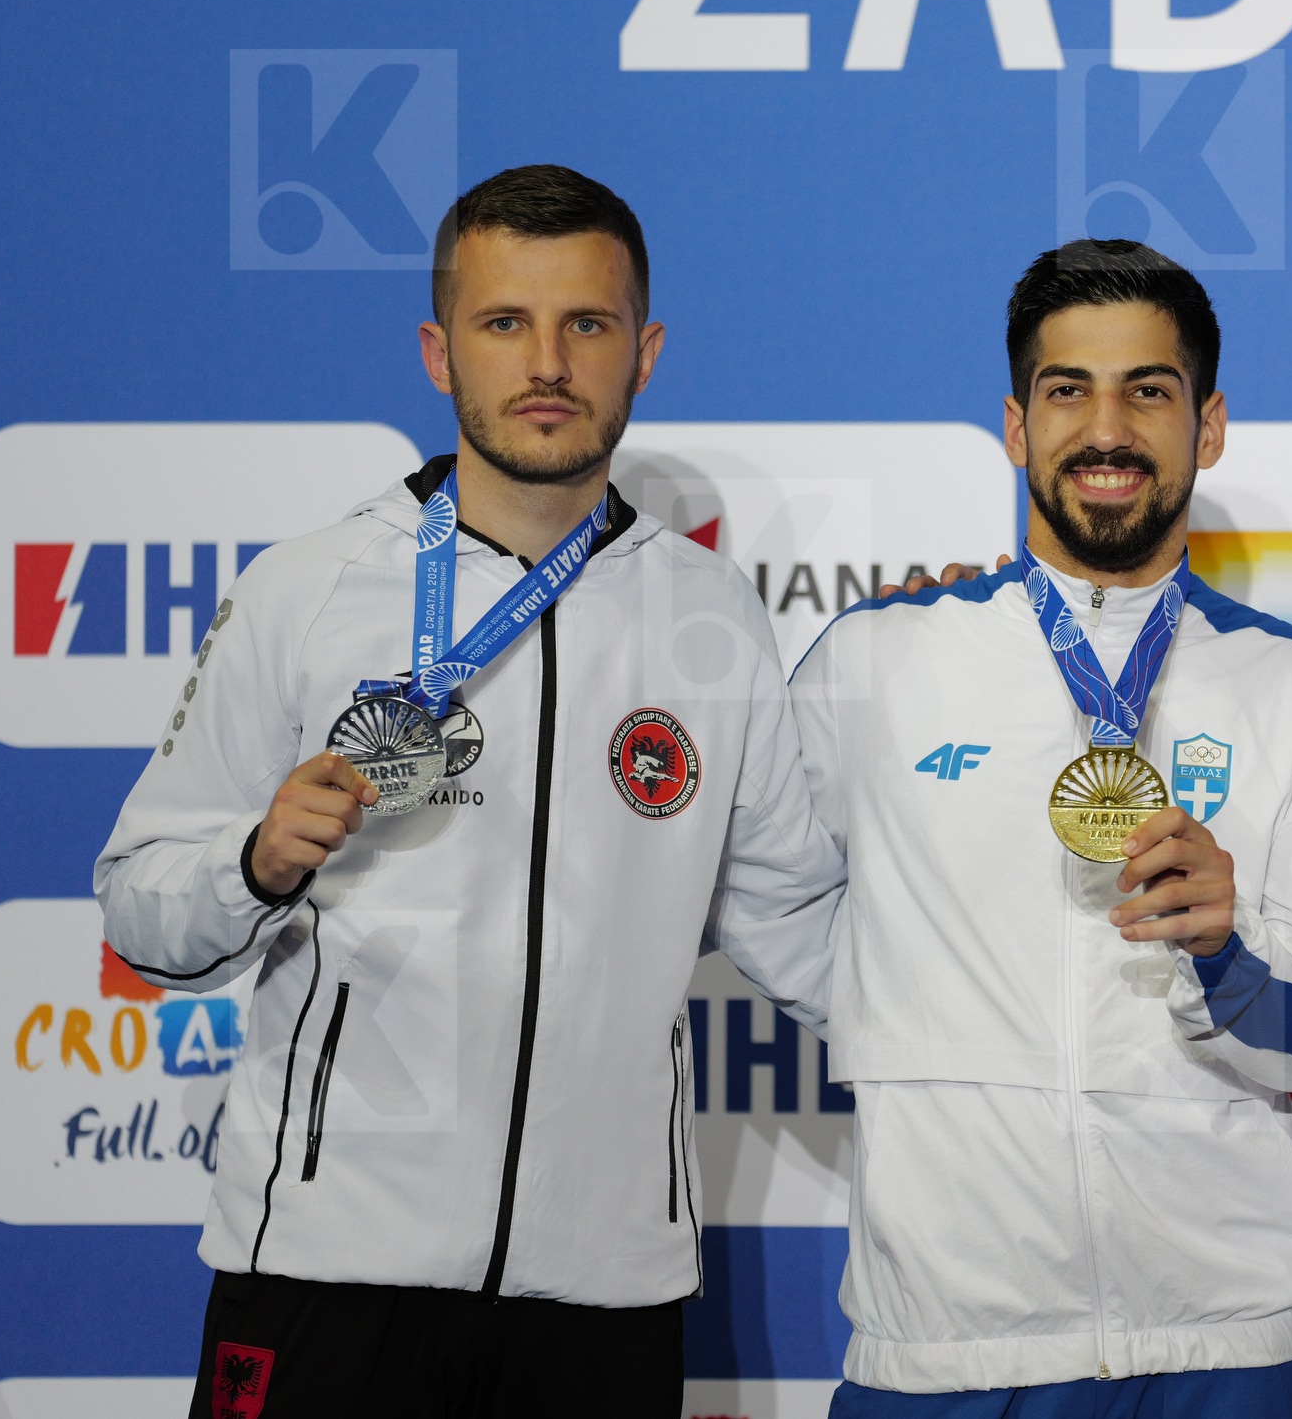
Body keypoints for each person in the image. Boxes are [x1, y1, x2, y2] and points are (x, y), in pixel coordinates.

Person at [94, 166, 841, 1419]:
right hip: (329, 1267)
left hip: (601, 1292)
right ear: (440, 352)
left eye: (585, 325)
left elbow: (801, 928)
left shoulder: (710, 618)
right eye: (505, 323)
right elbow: (137, 904)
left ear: (643, 351)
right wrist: (255, 861)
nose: (547, 361)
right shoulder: (308, 586)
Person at [790, 239, 1292, 1414]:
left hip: (1225, 1348)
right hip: (941, 1348)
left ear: (1208, 426)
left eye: (1147, 391)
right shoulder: (877, 657)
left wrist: (1225, 952)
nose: (1106, 428)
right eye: (1069, 391)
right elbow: (771, 900)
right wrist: (912, 1011)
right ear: (1015, 424)